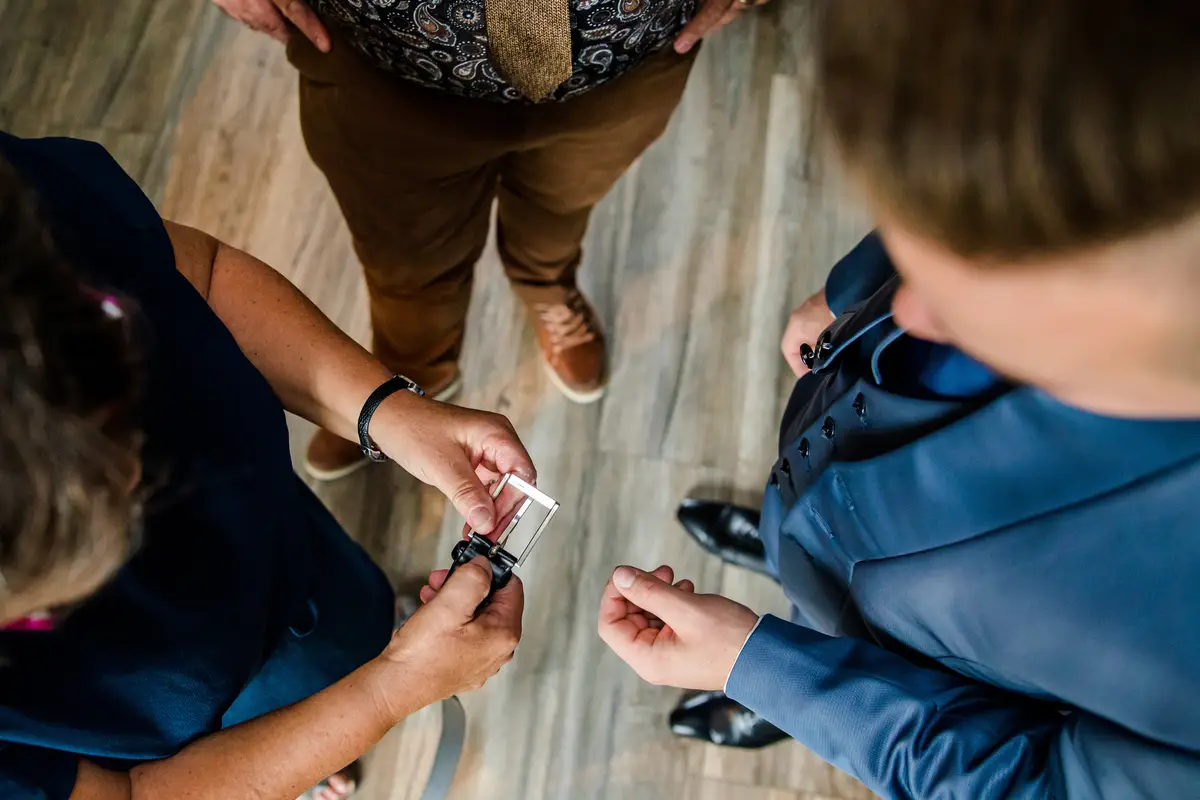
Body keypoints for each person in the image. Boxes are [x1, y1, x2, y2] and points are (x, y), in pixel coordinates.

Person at [598, 1, 1200, 797]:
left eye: (981, 284)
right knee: (802, 548)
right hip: (834, 477)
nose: (903, 316)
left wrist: (765, 670)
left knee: (837, 654)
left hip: (927, 666)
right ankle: (792, 567)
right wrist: (857, 285)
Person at [0, 130, 533, 799]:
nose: (141, 476)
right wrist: (387, 694)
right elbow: (134, 795)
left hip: (287, 549)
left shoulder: (22, 213)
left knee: (355, 618)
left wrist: (387, 411)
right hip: (180, 739)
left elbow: (202, 273)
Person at [209, 0, 767, 481]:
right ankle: (413, 367)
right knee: (406, 259)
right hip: (381, 62)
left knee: (560, 211)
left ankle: (545, 285)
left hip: (625, 58)